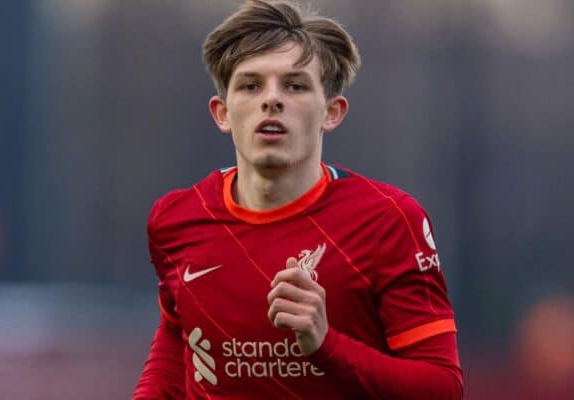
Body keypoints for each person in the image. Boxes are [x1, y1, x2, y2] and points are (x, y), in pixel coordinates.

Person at [133, 1, 463, 399]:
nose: (271, 100)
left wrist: (326, 345)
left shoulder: (389, 220)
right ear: (222, 113)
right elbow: (175, 335)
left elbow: (443, 388)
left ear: (332, 112)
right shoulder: (177, 218)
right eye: (251, 85)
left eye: (295, 85)